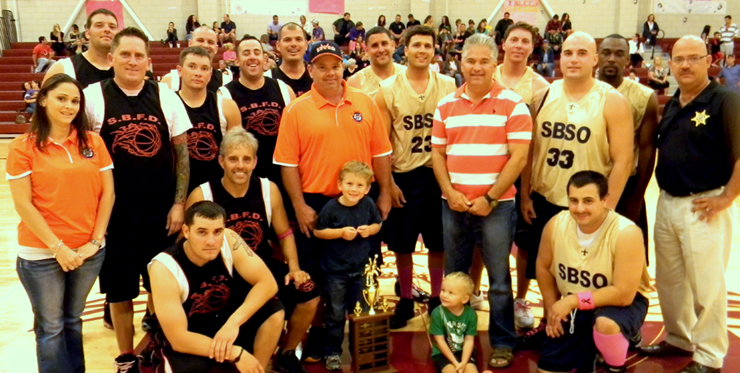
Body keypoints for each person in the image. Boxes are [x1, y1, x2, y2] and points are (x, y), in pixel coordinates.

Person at [273, 40, 393, 363]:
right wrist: (298, 205)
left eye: (335, 65)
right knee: (316, 278)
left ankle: (359, 337)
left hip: (360, 202)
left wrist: (383, 191)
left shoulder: (365, 103)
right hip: (315, 203)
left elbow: (381, 153)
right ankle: (316, 338)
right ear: (310, 69)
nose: (330, 72)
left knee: (360, 273)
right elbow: (288, 164)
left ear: (345, 67)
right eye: (321, 66)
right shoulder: (296, 110)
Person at [83, 27, 192, 372]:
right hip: (115, 219)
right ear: (111, 58)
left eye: (139, 55)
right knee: (120, 292)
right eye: (125, 54)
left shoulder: (165, 96)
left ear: (148, 60)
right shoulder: (93, 97)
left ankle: (157, 345)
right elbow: (84, 158)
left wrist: (178, 204)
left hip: (160, 215)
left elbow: (183, 155)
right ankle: (125, 356)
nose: (132, 61)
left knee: (161, 289)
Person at [519, 31, 634, 349]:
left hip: (589, 207)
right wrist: (526, 193)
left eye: (582, 53)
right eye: (568, 52)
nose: (574, 59)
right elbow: (530, 151)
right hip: (547, 197)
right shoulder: (542, 96)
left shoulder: (612, 100)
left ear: (594, 59)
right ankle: (549, 323)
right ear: (560, 57)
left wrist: (607, 204)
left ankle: (593, 333)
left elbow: (623, 160)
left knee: (589, 273)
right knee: (547, 268)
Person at [639, 35, 740, 373]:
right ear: (669, 64)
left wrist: (727, 197)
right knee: (669, 281)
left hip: (705, 205)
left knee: (707, 285)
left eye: (693, 58)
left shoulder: (724, 100)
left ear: (708, 60)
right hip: (667, 203)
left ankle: (710, 357)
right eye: (678, 59)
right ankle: (679, 338)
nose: (685, 65)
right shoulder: (674, 102)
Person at [431, 34, 532, 369]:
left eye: (484, 61)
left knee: (500, 280)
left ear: (494, 64)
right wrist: (451, 192)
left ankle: (502, 342)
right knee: (454, 277)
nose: (476, 67)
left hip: (497, 206)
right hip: (454, 205)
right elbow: (437, 154)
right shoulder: (445, 105)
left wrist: (489, 197)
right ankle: (452, 343)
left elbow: (518, 158)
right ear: (460, 63)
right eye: (470, 61)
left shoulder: (513, 104)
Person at [186, 128, 319, 373]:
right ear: (221, 160)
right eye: (234, 159)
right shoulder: (203, 194)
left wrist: (294, 267)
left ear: (255, 162)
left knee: (309, 292)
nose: (240, 165)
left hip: (261, 268)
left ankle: (286, 353)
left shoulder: (269, 190)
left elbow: (284, 233)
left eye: (247, 159)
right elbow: (188, 244)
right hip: (221, 273)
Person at [8, 74, 114, 373]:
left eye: (75, 101)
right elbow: (23, 204)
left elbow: (108, 194)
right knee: (51, 327)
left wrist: (94, 241)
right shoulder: (22, 147)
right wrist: (58, 249)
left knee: (73, 320)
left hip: (88, 252)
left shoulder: (93, 141)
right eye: (61, 98)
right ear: (42, 100)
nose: (69, 106)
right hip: (42, 255)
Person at [374, 26, 456, 328]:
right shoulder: (388, 89)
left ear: (435, 50)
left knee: (438, 243)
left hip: (439, 174)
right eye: (416, 45)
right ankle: (406, 298)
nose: (422, 50)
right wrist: (388, 183)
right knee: (403, 245)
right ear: (404, 49)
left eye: (427, 45)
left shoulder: (448, 85)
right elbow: (382, 143)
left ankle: (436, 297)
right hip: (404, 176)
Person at [148, 201, 285, 373]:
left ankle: (257, 369)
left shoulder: (229, 238)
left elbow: (268, 283)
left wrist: (233, 323)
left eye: (217, 231)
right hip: (192, 337)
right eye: (202, 232)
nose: (211, 241)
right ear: (186, 231)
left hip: (225, 321)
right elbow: (179, 339)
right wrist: (235, 352)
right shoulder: (164, 267)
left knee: (273, 310)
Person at [535, 171, 651, 373]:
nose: (580, 208)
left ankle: (615, 364)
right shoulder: (556, 224)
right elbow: (543, 267)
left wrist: (571, 301)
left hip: (619, 304)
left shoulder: (626, 233)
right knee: (547, 369)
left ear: (605, 200)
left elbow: (623, 295)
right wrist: (553, 309)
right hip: (577, 305)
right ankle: (594, 343)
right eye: (574, 201)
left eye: (588, 201)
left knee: (605, 323)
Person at [490, 22, 550, 329]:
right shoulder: (487, 75)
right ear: (503, 43)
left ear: (532, 46)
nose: (518, 45)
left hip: (521, 169)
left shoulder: (540, 87)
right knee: (479, 234)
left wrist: (525, 191)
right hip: (485, 166)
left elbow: (534, 143)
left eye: (525, 41)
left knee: (523, 240)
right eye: (513, 39)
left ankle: (520, 299)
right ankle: (473, 293)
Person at [311, 160, 382, 371]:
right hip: (335, 272)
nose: (354, 189)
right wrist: (340, 233)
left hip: (361, 270)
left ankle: (361, 351)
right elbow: (318, 232)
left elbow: (378, 224)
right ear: (340, 185)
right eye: (350, 184)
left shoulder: (368, 204)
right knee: (334, 313)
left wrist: (371, 229)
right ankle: (332, 351)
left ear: (368, 188)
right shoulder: (331, 207)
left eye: (360, 185)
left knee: (361, 313)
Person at [597, 34, 659, 260]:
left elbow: (647, 149)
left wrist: (636, 196)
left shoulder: (644, 97)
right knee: (587, 256)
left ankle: (630, 296)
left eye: (619, 54)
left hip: (626, 186)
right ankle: (584, 297)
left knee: (626, 257)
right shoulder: (580, 90)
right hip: (585, 183)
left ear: (628, 61)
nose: (612, 59)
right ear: (597, 57)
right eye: (606, 53)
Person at [221, 36, 295, 187]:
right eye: (246, 53)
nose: (252, 57)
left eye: (256, 52)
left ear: (264, 59)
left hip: (281, 174)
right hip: (245, 178)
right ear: (237, 61)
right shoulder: (224, 95)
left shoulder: (284, 90)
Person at [175, 47, 241, 193]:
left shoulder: (226, 107)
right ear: (179, 70)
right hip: (175, 190)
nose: (198, 73)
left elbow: (236, 155)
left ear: (210, 74)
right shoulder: (167, 103)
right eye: (192, 66)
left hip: (215, 190)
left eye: (204, 68)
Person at [430, 273, 492, 373]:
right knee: (450, 371)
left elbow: (469, 340)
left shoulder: (471, 314)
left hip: (464, 352)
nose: (444, 295)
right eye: (443, 290)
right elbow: (440, 341)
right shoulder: (437, 313)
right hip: (443, 354)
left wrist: (463, 362)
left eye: (451, 293)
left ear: (464, 299)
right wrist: (455, 362)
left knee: (470, 370)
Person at [162, 26, 230, 93]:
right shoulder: (171, 80)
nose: (205, 45)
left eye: (210, 42)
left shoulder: (225, 81)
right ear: (190, 44)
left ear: (216, 49)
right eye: (200, 40)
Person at [347, 27, 407, 96]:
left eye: (384, 43)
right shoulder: (356, 82)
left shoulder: (407, 75)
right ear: (367, 50)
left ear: (392, 45)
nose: (381, 50)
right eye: (375, 45)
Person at [265, 23, 313, 97]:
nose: (293, 44)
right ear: (278, 45)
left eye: (298, 39)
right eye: (287, 40)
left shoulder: (317, 75)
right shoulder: (267, 78)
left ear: (306, 45)